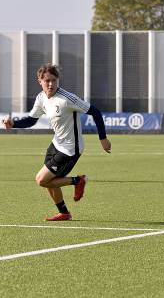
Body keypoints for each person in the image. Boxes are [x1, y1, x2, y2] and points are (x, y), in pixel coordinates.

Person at [2, 64, 111, 221]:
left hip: (71, 149)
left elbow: (96, 112)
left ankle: (78, 181)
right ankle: (64, 213)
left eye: (54, 80)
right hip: (56, 144)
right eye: (47, 81)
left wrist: (103, 138)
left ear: (57, 80)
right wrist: (14, 123)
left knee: (42, 180)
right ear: (40, 81)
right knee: (50, 181)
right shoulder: (41, 98)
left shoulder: (67, 99)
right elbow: (31, 120)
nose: (51, 84)